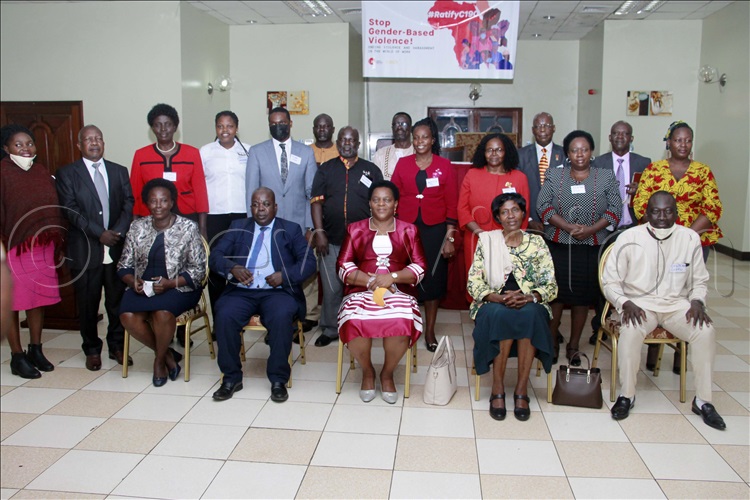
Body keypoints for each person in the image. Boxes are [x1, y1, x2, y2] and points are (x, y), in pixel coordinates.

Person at [602, 191, 726, 430]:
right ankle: (627, 395)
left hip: (676, 305)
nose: (662, 216)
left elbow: (699, 281)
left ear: (676, 213)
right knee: (630, 331)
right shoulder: (628, 238)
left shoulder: (689, 238)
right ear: (646, 213)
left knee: (706, 331)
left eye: (668, 211)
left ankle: (703, 401)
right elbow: (610, 282)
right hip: (639, 305)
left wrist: (698, 301)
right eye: (656, 211)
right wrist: (624, 302)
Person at [633, 121, 724, 374]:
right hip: (657, 241)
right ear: (669, 143)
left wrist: (685, 237)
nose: (683, 144)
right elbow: (641, 205)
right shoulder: (654, 169)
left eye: (687, 140)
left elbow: (713, 208)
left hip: (695, 242)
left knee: (686, 295)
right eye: (678, 140)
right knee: (658, 292)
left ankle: (680, 354)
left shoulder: (703, 172)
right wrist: (666, 237)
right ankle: (653, 350)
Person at [210, 187, 316, 403]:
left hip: (276, 292)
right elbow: (215, 256)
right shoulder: (238, 226)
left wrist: (283, 276)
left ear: (275, 207)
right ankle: (231, 378)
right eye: (256, 204)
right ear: (251, 208)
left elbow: (309, 263)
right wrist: (232, 268)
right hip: (242, 291)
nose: (261, 209)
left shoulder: (290, 229)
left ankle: (278, 380)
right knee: (224, 314)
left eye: (266, 204)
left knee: (280, 316)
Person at [468, 193, 557, 421]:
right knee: (500, 316)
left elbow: (550, 285)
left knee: (530, 316)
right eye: (504, 211)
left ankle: (521, 389)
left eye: (515, 210)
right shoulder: (487, 240)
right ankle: (497, 388)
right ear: (497, 216)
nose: (510, 216)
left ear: (523, 213)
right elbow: (474, 282)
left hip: (528, 301)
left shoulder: (536, 243)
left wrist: (528, 297)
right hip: (494, 301)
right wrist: (497, 297)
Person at [336, 181, 427, 403]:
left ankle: (387, 374)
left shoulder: (409, 229)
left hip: (399, 292)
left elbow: (420, 266)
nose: (381, 204)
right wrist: (370, 281)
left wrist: (392, 278)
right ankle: (368, 372)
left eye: (387, 199)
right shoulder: (355, 229)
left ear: (396, 204)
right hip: (360, 291)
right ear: (369, 204)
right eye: (376, 200)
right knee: (354, 319)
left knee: (401, 318)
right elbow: (343, 265)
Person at [537, 130, 622, 366]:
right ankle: (552, 340)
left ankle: (574, 345)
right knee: (556, 296)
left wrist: (591, 229)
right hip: (560, 245)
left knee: (582, 299)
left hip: (591, 246)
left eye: (584, 149)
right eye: (574, 150)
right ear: (567, 153)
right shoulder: (555, 175)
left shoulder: (604, 176)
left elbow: (615, 209)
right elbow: (542, 206)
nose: (580, 154)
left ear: (592, 152)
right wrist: (566, 226)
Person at [56, 125, 135, 371]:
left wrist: (117, 232)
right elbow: (70, 210)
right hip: (85, 250)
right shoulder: (67, 174)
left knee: (116, 301)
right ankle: (91, 349)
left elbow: (128, 203)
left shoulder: (119, 171)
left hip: (115, 248)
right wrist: (99, 233)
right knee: (88, 303)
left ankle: (117, 345)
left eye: (98, 138)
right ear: (79, 145)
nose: (94, 143)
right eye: (88, 139)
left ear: (104, 142)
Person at [118, 179, 206, 387]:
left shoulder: (188, 228)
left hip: (180, 286)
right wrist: (133, 281)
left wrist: (169, 284)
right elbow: (123, 264)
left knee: (162, 314)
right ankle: (166, 354)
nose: (158, 206)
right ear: (147, 204)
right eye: (153, 201)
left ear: (171, 202)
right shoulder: (137, 227)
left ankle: (158, 362)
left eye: (163, 201)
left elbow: (198, 270)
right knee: (127, 316)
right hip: (143, 286)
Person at [0, 124, 65, 379]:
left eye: (29, 143)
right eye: (19, 144)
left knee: (37, 300)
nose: (26, 149)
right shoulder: (3, 173)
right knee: (13, 303)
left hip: (42, 246)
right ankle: (17, 356)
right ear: (6, 148)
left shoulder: (40, 171)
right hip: (13, 247)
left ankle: (35, 349)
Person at [246, 107, 318, 331]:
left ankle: (308, 315)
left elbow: (312, 193)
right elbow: (251, 190)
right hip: (268, 225)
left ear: (290, 123)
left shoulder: (305, 152)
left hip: (298, 223)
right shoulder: (257, 152)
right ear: (269, 126)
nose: (278, 126)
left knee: (303, 268)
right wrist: (252, 228)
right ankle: (274, 315)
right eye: (273, 123)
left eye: (282, 122)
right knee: (272, 267)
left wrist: (310, 226)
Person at [311, 126, 383, 347]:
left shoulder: (370, 170)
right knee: (332, 287)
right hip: (330, 239)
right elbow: (316, 202)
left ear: (358, 143)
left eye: (352, 140)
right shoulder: (325, 169)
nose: (347, 143)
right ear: (338, 141)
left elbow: (381, 204)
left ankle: (362, 324)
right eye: (343, 139)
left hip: (363, 242)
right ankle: (331, 328)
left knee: (363, 286)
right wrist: (319, 232)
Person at [391, 117, 458, 352]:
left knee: (433, 279)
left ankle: (429, 331)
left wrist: (450, 237)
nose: (420, 141)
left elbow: (452, 202)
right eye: (416, 137)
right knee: (405, 278)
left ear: (432, 140)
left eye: (425, 137)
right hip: (406, 229)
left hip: (435, 229)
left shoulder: (444, 165)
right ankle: (407, 327)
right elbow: (393, 198)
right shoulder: (403, 164)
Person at [588, 120, 651, 346]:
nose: (620, 137)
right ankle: (600, 325)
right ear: (610, 137)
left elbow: (653, 196)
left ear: (631, 138)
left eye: (625, 134)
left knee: (632, 279)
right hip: (605, 230)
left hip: (634, 228)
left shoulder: (645, 163)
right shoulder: (598, 163)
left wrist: (642, 189)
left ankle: (630, 323)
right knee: (603, 280)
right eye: (616, 133)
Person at [130, 103, 209, 239]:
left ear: (175, 127)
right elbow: (135, 194)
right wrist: (134, 226)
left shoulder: (192, 153)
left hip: (187, 216)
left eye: (168, 124)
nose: (163, 129)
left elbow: (200, 193)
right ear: (152, 128)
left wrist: (202, 228)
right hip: (151, 218)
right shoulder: (141, 155)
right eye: (157, 124)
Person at [199, 111, 251, 315]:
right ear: (215, 128)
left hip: (241, 217)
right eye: (220, 126)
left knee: (240, 264)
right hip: (215, 216)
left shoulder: (248, 151)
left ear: (236, 128)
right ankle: (219, 317)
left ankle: (238, 315)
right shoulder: (205, 152)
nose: (225, 130)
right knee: (217, 268)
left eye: (229, 126)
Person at [458, 132, 530, 276]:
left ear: (506, 152)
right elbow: (462, 209)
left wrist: (511, 238)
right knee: (477, 282)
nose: (494, 154)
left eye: (499, 149)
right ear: (483, 153)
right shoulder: (472, 175)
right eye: (489, 150)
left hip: (509, 241)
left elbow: (524, 211)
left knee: (506, 280)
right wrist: (482, 235)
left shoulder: (519, 178)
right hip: (476, 238)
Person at [517, 112, 565, 232]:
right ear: (533, 130)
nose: (542, 130)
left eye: (547, 125)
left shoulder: (565, 154)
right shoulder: (520, 155)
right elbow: (517, 191)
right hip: (530, 221)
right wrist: (527, 219)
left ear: (553, 128)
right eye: (538, 126)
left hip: (560, 223)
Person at [372, 112, 414, 181]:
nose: (399, 127)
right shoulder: (381, 154)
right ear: (392, 128)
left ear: (411, 128)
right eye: (396, 124)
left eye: (404, 124)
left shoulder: (418, 153)